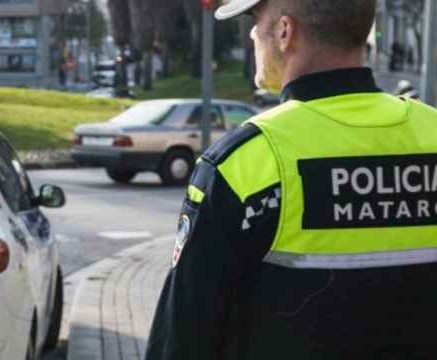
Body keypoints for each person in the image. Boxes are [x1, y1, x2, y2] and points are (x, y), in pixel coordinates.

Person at [145, 0, 437, 359]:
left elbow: (184, 339)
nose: (252, 33)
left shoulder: (247, 162)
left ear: (285, 32)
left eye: (255, 19)